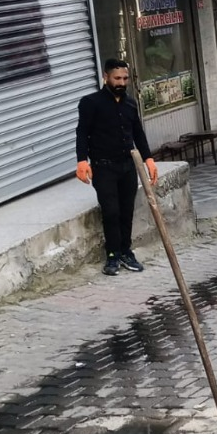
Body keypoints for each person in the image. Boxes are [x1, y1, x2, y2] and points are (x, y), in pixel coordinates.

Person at [76, 59, 159, 277]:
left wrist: (149, 159)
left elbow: (138, 133)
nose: (121, 82)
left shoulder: (130, 104)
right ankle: (112, 255)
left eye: (125, 78)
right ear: (106, 77)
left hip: (127, 167)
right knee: (111, 211)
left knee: (126, 211)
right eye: (117, 78)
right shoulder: (90, 103)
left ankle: (125, 251)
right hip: (103, 168)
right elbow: (82, 132)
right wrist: (81, 161)